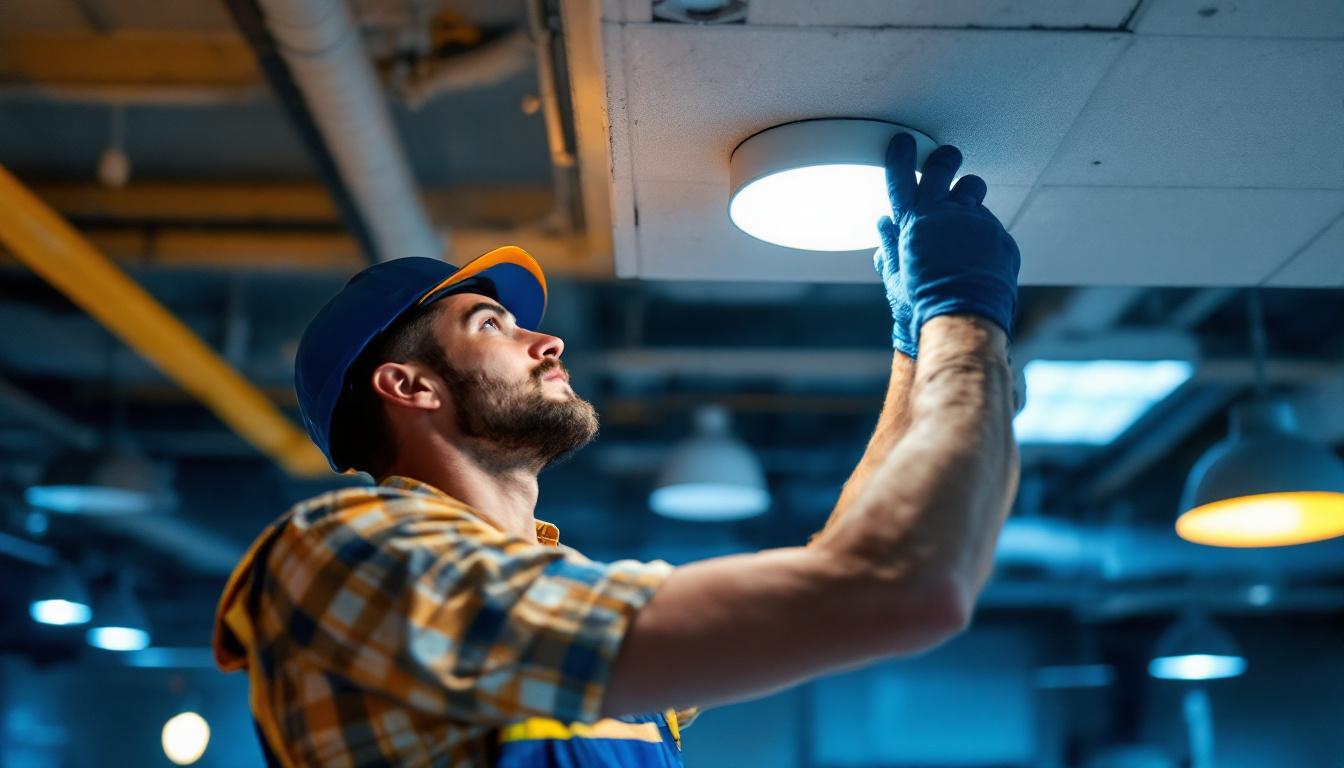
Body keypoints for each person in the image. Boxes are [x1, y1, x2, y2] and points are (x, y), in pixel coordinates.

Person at [213, 133, 1021, 767]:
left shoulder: (557, 605)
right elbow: (897, 586)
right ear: (410, 387)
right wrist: (964, 316)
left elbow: (848, 566)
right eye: (490, 325)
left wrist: (914, 343)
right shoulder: (352, 555)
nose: (548, 340)